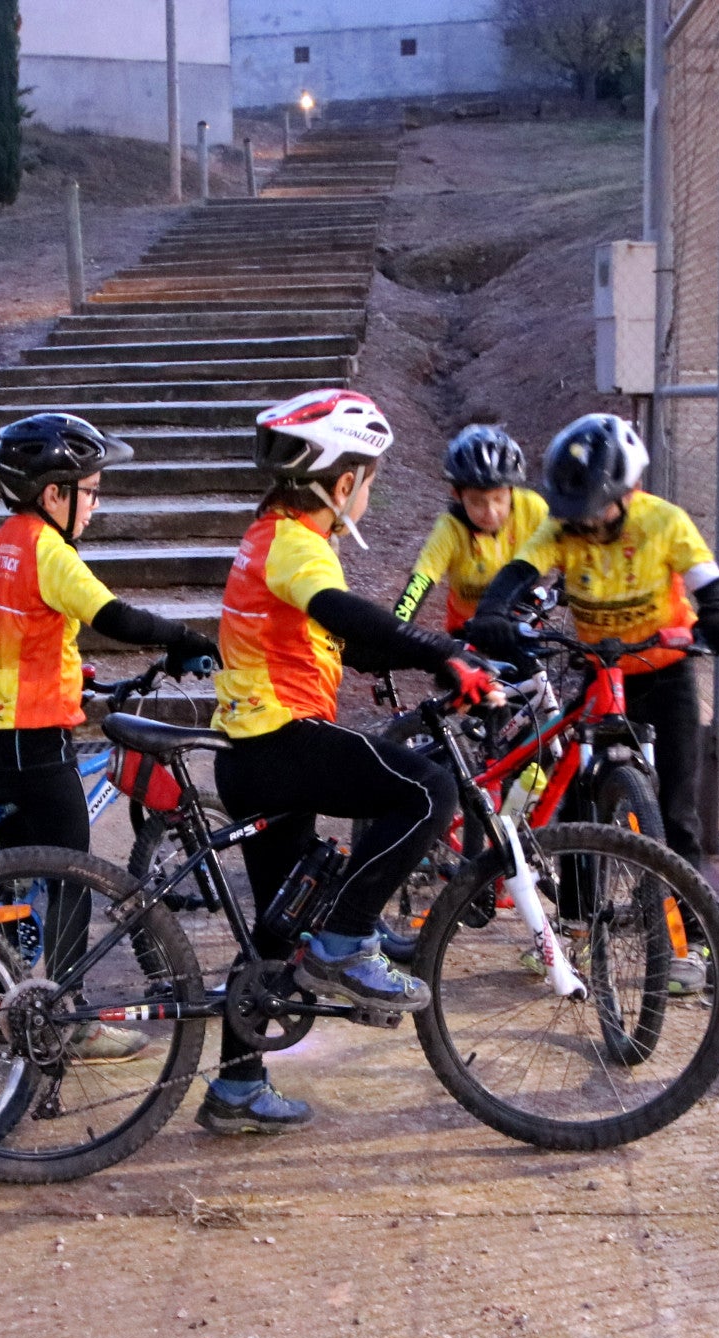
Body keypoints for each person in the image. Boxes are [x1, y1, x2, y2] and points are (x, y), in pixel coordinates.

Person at [201, 389, 499, 1137]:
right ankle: (348, 939)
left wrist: (440, 660)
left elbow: (353, 638)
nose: (369, 491)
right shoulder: (297, 542)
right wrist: (441, 649)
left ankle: (235, 1088)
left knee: (275, 929)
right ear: (342, 485)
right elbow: (343, 613)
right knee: (426, 787)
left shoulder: (274, 535)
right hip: (278, 744)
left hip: (254, 752)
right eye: (369, 478)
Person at [0, 413, 219, 1062]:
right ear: (53, 493)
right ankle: (65, 1018)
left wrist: (28, 654)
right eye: (89, 490)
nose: (95, 504)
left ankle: (17, 1001)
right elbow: (112, 615)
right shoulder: (49, 551)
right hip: (38, 737)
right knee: (67, 877)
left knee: (24, 872)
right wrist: (183, 638)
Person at [462, 413, 719, 860]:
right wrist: (493, 609)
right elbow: (521, 570)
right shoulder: (562, 525)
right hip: (601, 676)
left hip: (666, 672)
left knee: (677, 804)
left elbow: (705, 578)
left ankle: (690, 917)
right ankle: (577, 913)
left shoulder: (663, 521)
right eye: (577, 514)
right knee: (579, 794)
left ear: (627, 492)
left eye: (596, 511)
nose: (587, 525)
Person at [393, 423, 549, 633]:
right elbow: (421, 580)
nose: (491, 512)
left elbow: (569, 547)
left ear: (512, 490)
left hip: (523, 621)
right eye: (477, 502)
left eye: (499, 499)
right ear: (457, 495)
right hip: (468, 629)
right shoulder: (450, 528)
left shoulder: (533, 508)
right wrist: (395, 629)